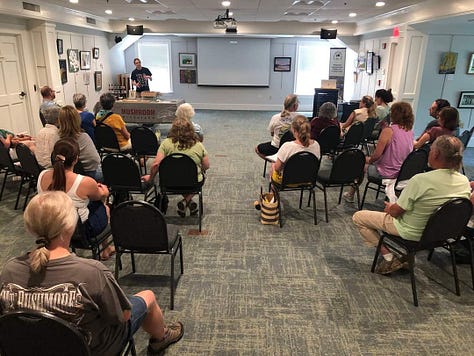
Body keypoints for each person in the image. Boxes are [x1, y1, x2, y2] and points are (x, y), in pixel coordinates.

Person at [0, 190, 184, 355]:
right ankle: (162, 338)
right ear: (69, 226)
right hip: (89, 350)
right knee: (148, 297)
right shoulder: (92, 272)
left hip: (29, 347)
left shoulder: (9, 269)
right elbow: (123, 316)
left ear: (29, 226)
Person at [352, 135, 471, 274]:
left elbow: (396, 212)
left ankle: (389, 258)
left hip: (412, 232)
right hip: (442, 234)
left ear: (436, 154)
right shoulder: (464, 181)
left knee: (358, 217)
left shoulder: (420, 180)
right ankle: (407, 257)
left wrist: (390, 208)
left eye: (431, 150)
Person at [37, 138, 112, 257]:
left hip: (50, 228)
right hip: (78, 233)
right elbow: (100, 195)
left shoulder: (42, 176)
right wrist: (105, 192)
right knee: (103, 205)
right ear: (76, 159)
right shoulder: (85, 182)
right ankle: (106, 249)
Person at [343, 102, 414, 202]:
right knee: (365, 159)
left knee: (361, 161)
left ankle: (350, 194)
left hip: (387, 172)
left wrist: (369, 160)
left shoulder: (388, 131)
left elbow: (376, 155)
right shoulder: (410, 132)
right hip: (402, 172)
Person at [143, 117, 210, 217]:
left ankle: (186, 202)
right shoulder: (198, 145)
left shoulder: (166, 143)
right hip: (192, 183)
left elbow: (156, 164)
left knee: (178, 176)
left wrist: (150, 177)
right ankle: (187, 201)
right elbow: (206, 166)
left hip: (169, 183)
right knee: (199, 177)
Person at [271, 115, 321, 185]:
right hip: (308, 180)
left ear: (294, 131)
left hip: (287, 181)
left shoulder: (287, 146)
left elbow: (277, 168)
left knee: (273, 165)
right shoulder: (316, 145)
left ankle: (273, 193)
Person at [58, 105, 101, 180]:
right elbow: (96, 160)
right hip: (89, 174)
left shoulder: (59, 140)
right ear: (77, 119)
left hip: (68, 175)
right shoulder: (84, 137)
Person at [255, 94, 299, 159]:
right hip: (293, 149)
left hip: (276, 148)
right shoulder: (300, 118)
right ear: (295, 106)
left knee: (257, 149)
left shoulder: (275, 117)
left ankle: (275, 162)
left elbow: (272, 134)